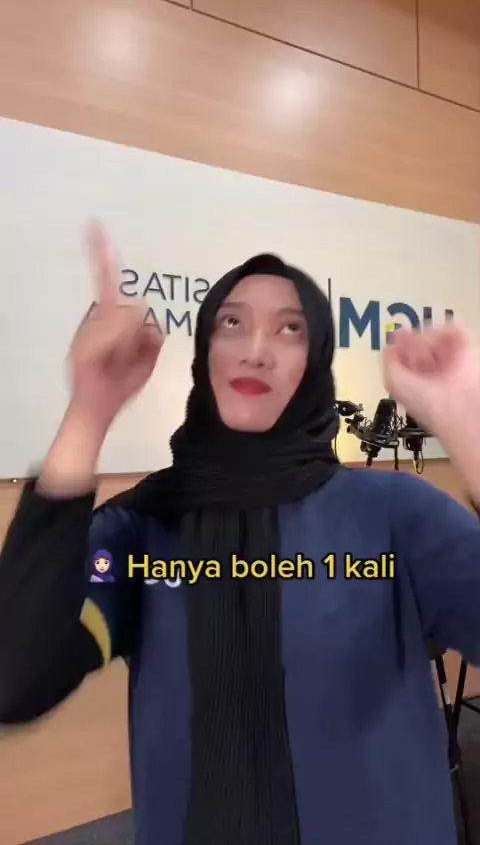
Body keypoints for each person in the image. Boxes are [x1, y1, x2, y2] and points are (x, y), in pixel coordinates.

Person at [1, 223, 480, 845]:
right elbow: (16, 680)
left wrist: (466, 425)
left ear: (317, 361)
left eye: (290, 328)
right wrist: (89, 411)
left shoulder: (395, 514)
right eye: (231, 323)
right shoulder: (140, 529)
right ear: (204, 352)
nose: (256, 349)